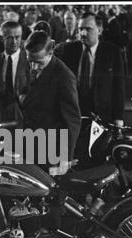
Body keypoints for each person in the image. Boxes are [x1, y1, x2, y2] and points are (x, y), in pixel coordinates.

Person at [54, 12, 125, 166]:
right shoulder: (68, 51)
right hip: (73, 115)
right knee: (73, 159)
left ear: (100, 30)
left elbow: (118, 87)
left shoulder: (112, 52)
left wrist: (118, 118)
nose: (83, 33)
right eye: (80, 29)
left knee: (97, 159)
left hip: (101, 116)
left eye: (88, 29)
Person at [23, 31, 81, 165]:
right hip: (30, 145)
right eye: (30, 61)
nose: (33, 67)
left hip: (51, 152)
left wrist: (65, 159)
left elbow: (72, 121)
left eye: (38, 62)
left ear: (50, 54)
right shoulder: (35, 64)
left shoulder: (64, 77)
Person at [0, 21, 30, 126]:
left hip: (23, 119)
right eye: (9, 38)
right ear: (2, 38)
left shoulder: (29, 61)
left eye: (17, 37)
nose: (14, 41)